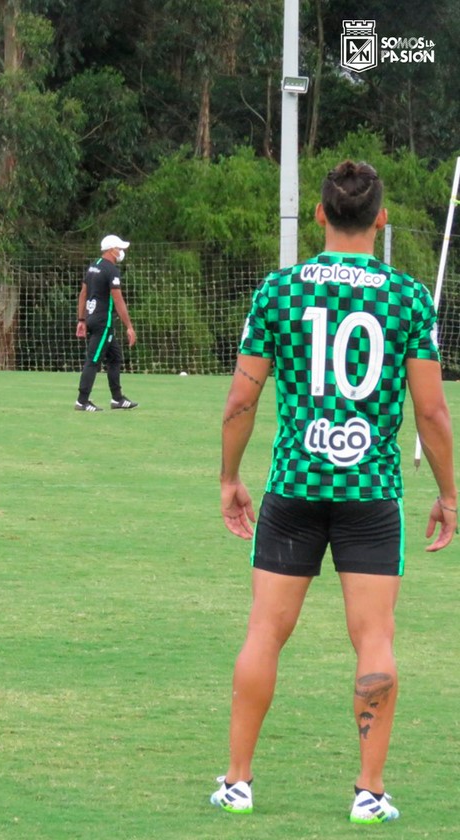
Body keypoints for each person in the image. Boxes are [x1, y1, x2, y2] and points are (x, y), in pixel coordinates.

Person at [213, 160, 456, 823]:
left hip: (294, 487)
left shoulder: (279, 291)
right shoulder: (407, 297)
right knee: (375, 638)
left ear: (319, 214)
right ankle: (369, 793)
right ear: (382, 218)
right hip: (369, 494)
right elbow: (432, 413)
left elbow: (241, 400)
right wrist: (449, 495)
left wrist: (230, 478)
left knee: (264, 631)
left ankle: (237, 782)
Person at [74, 234, 138, 411]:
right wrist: (129, 327)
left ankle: (117, 399)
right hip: (104, 322)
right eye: (119, 248)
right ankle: (82, 401)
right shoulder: (111, 270)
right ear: (111, 250)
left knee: (115, 356)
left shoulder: (93, 266)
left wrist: (81, 319)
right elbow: (118, 300)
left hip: (91, 318)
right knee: (93, 360)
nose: (121, 251)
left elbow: (83, 293)